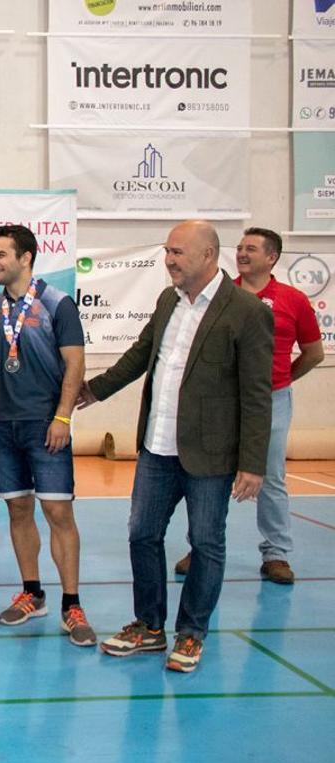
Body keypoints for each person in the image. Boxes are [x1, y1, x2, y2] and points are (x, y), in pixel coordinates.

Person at [82, 220, 274, 673]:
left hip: (211, 454)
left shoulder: (247, 311)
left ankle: (191, 633)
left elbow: (257, 394)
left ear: (208, 255)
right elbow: (140, 354)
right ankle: (149, 626)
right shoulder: (168, 300)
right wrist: (92, 391)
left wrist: (252, 463)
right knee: (142, 534)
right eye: (167, 251)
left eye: (177, 252)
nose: (169, 260)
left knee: (206, 542)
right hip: (156, 447)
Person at [0, 224, 96, 648]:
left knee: (58, 513)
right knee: (18, 509)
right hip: (1, 426)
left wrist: (63, 417)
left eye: (1, 254)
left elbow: (75, 364)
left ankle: (72, 604)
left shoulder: (57, 303)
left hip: (44, 425)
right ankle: (32, 593)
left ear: (26, 258)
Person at [173, 227, 322, 585]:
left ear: (272, 257)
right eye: (239, 247)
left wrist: (280, 382)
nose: (241, 253)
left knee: (270, 476)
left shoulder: (293, 300)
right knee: (210, 476)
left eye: (251, 248)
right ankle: (201, 548)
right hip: (222, 402)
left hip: (272, 401)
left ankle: (276, 554)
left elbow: (314, 353)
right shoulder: (221, 295)